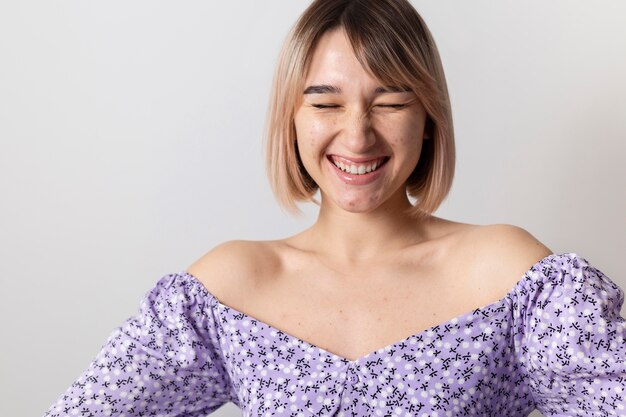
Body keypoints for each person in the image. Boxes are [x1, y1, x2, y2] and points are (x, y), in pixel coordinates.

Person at [43, 0, 626, 416]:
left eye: (391, 101)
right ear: (291, 118)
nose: (357, 134)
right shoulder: (230, 287)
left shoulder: (510, 277)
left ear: (428, 120)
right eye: (325, 103)